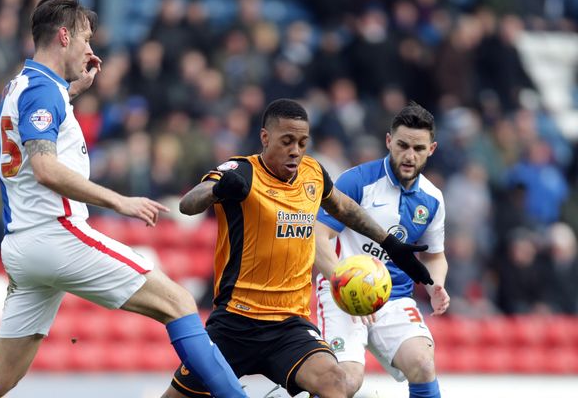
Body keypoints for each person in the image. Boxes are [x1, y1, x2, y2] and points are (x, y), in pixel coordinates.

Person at [0, 0, 247, 398]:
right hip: (57, 233)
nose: (90, 49)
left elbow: (38, 121)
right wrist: (119, 201)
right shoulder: (42, 92)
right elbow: (44, 167)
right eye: (85, 38)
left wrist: (74, 91)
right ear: (63, 37)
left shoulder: (23, 85)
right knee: (179, 302)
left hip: (22, 244)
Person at [162, 99, 432, 398]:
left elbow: (344, 208)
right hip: (235, 324)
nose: (296, 150)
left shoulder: (312, 173)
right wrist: (216, 190)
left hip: (289, 326)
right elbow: (188, 204)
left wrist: (390, 243)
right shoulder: (241, 170)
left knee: (336, 382)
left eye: (303, 142)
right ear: (265, 138)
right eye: (287, 141)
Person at [315, 102, 449, 398]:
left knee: (423, 363)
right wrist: (343, 284)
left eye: (418, 148)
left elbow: (436, 255)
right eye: (402, 145)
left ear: (432, 149)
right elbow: (317, 237)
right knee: (345, 381)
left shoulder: (432, 199)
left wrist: (436, 284)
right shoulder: (356, 181)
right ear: (389, 141)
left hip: (394, 297)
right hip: (342, 294)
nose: (409, 155)